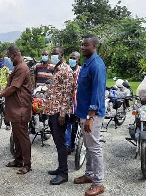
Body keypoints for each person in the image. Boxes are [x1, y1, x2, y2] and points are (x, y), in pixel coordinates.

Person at [74, 34, 106, 196]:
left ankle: (99, 183)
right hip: (83, 112)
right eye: (82, 45)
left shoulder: (97, 65)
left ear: (94, 46)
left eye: (86, 45)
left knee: (94, 147)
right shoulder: (87, 63)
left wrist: (90, 117)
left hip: (92, 114)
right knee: (87, 146)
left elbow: (98, 93)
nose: (82, 47)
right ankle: (89, 174)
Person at [0, 45, 32, 175]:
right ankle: (18, 160)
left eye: (10, 56)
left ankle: (27, 164)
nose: (9, 59)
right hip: (16, 108)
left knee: (23, 137)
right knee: (16, 136)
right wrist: (2, 91)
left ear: (15, 54)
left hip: (21, 109)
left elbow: (13, 88)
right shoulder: (18, 67)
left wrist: (0, 94)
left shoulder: (22, 68)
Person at [44, 47, 74, 185]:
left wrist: (62, 115)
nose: (53, 56)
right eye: (53, 54)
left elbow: (67, 95)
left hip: (59, 113)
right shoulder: (57, 69)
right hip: (52, 110)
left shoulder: (66, 70)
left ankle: (63, 174)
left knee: (61, 143)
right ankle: (60, 168)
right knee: (57, 142)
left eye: (56, 54)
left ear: (62, 55)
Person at [65, 51, 81, 154]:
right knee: (66, 125)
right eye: (71, 57)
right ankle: (67, 146)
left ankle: (73, 144)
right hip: (66, 104)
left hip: (77, 104)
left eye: (74, 58)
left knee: (75, 125)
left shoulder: (82, 71)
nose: (72, 60)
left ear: (78, 60)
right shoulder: (66, 71)